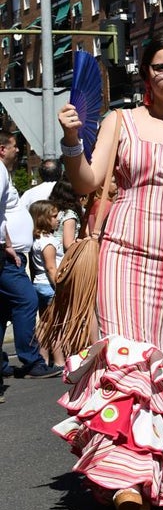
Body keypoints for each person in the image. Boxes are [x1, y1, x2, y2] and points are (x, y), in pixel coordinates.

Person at [53, 33, 163, 510]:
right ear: (146, 74)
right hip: (123, 250)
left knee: (161, 365)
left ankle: (157, 472)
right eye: (161, 66)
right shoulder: (121, 121)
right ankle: (124, 478)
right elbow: (86, 181)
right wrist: (72, 139)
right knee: (126, 363)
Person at [0, 131, 61, 380]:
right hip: (7, 256)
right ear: (2, 149)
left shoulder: (5, 172)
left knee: (3, 310)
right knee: (26, 301)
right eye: (14, 146)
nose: (18, 150)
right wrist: (5, 244)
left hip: (9, 253)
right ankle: (31, 360)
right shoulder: (0, 170)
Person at [27, 200, 65, 368]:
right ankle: (59, 360)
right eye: (54, 216)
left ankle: (43, 358)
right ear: (43, 219)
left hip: (39, 284)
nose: (58, 219)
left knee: (43, 323)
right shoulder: (48, 242)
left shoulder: (38, 239)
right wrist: (59, 287)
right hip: (50, 287)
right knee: (55, 325)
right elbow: (51, 267)